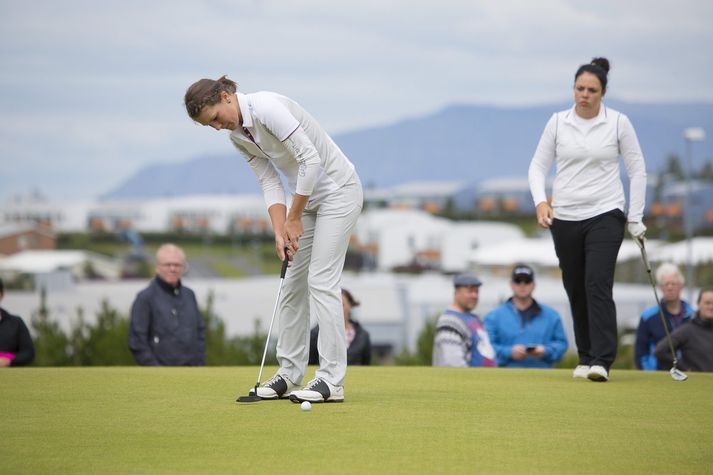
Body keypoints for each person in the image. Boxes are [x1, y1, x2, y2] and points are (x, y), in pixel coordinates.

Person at [185, 77, 363, 403]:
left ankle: (331, 380)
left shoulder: (267, 108)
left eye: (214, 118)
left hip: (339, 193)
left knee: (321, 281)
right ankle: (290, 373)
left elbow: (311, 161)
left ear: (226, 96)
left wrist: (294, 218)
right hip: (305, 201)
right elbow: (270, 182)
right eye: (208, 126)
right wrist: (280, 230)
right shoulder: (238, 137)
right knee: (292, 283)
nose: (216, 127)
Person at [528, 57, 647, 382]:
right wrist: (541, 202)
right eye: (579, 88)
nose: (584, 95)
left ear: (602, 92)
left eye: (591, 90)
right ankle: (584, 356)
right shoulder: (557, 122)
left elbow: (637, 171)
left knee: (597, 283)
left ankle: (602, 360)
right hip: (565, 216)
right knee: (575, 286)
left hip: (606, 213)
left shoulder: (618, 123)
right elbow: (537, 167)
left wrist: (634, 217)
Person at [128, 244, 205, 366]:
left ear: (183, 268)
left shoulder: (190, 295)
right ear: (157, 267)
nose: (172, 269)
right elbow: (137, 342)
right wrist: (157, 371)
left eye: (177, 265)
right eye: (167, 264)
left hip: (192, 372)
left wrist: (199, 365)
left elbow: (200, 333)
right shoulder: (145, 298)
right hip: (160, 376)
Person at [483, 264, 568, 368]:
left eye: (527, 281)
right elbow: (486, 347)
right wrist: (509, 352)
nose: (522, 285)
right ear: (511, 284)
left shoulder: (552, 315)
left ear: (534, 285)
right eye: (518, 281)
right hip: (505, 376)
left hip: (543, 376)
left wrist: (545, 351)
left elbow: (562, 344)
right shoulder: (493, 316)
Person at [635, 263, 693, 371]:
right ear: (660, 287)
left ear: (681, 286)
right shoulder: (648, 317)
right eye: (666, 284)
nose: (670, 287)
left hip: (690, 375)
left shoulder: (693, 316)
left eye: (673, 284)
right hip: (658, 376)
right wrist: (650, 373)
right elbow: (640, 353)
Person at [432, 273, 496, 367]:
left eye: (476, 291)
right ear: (456, 292)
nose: (474, 295)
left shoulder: (474, 318)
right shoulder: (450, 322)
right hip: (470, 380)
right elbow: (453, 363)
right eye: (470, 291)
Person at [654, 288, 713, 372]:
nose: (711, 307)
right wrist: (684, 368)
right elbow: (660, 351)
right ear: (698, 304)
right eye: (707, 303)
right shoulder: (687, 330)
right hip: (697, 382)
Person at [309, 288, 371, 366]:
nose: (337, 309)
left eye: (342, 305)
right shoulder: (316, 334)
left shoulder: (363, 335)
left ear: (350, 306)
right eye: (334, 305)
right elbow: (310, 363)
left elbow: (366, 365)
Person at [0, 278, 35, 367]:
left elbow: (28, 353)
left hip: (10, 376)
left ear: (2, 295)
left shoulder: (16, 323)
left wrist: (8, 359)